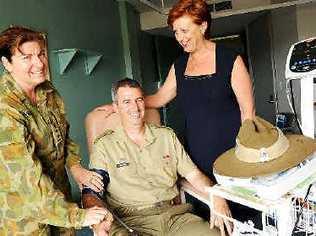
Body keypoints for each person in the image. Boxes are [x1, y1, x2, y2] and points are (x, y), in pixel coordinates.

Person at [82, 78, 233, 236]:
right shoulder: (105, 146)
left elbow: (194, 175)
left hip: (173, 216)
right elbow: (91, 192)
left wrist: (216, 195)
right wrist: (98, 223)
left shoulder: (166, 137)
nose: (134, 107)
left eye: (138, 100)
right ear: (116, 107)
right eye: (126, 102)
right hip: (129, 220)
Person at [0, 26, 107, 235]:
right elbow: (27, 181)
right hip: (24, 215)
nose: (39, 63)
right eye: (27, 58)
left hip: (59, 197)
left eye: (40, 54)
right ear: (7, 63)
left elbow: (62, 134)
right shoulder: (5, 110)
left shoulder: (47, 90)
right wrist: (79, 216)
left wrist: (75, 167)